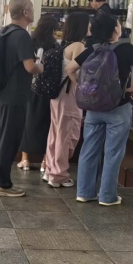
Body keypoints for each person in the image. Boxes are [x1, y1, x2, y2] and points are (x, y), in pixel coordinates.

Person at [67, 13, 133, 206]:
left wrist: (81, 87)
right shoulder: (126, 48)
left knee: (89, 150)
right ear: (115, 30)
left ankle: (84, 192)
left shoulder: (91, 50)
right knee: (113, 153)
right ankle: (107, 196)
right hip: (118, 108)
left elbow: (70, 69)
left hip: (93, 109)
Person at [0, 0, 43, 197]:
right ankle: (3, 184)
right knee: (9, 139)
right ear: (25, 12)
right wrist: (41, 66)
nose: (34, 12)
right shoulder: (22, 36)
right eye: (32, 8)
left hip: (0, 93)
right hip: (16, 95)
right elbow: (30, 67)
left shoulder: (3, 32)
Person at [44, 12, 90, 187]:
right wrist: (82, 86)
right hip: (69, 94)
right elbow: (75, 70)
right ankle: (59, 175)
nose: (90, 27)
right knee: (68, 134)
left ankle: (50, 170)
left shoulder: (64, 45)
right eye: (88, 23)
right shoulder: (78, 46)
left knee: (55, 132)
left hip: (58, 95)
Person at [17, 15, 59, 171]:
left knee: (28, 121)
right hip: (48, 90)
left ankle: (25, 159)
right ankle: (44, 161)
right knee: (48, 123)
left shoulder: (30, 42)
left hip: (30, 87)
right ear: (53, 30)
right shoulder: (55, 46)